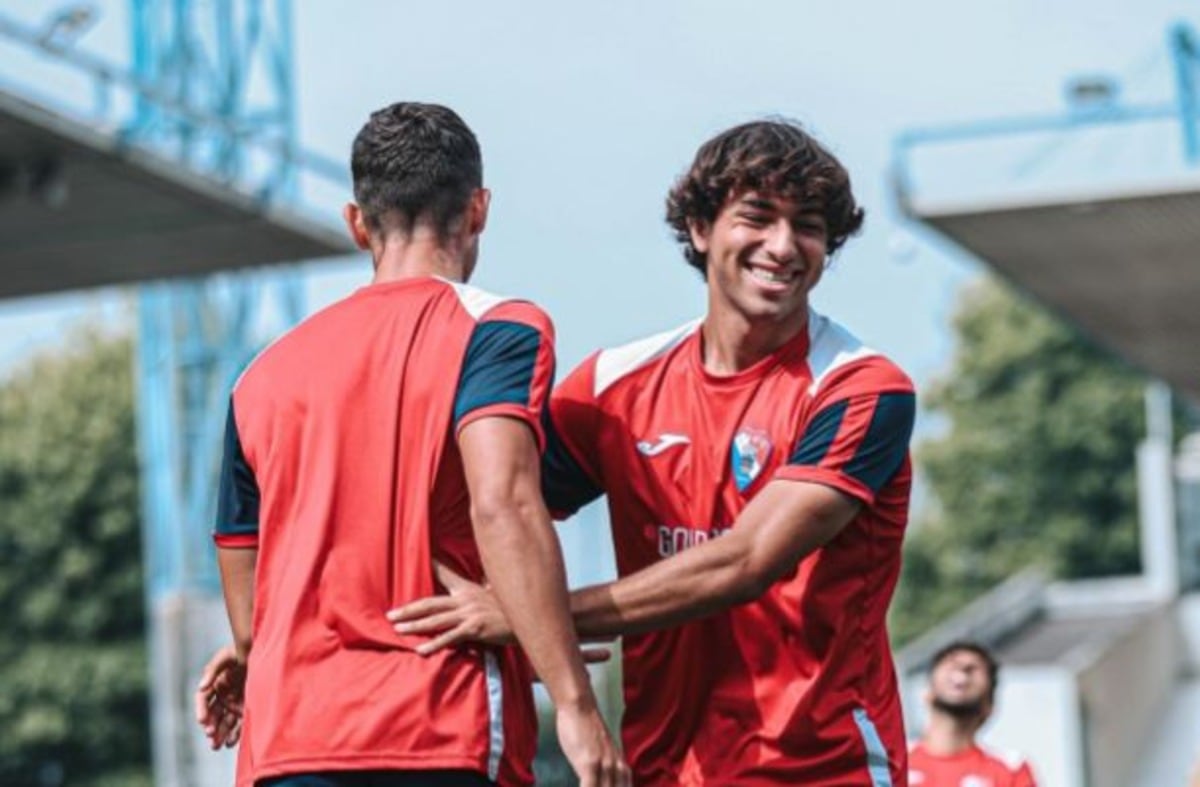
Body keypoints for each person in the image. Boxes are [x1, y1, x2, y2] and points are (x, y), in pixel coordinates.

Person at [390, 118, 917, 785]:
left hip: (822, 767)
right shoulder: (615, 384)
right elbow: (476, 509)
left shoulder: (862, 388)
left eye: (808, 225)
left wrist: (528, 614)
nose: (783, 245)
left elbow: (746, 560)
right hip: (663, 767)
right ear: (700, 228)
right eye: (757, 216)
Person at [198, 101, 627, 787]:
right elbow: (505, 505)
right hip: (436, 729)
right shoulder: (499, 329)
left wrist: (254, 656)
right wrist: (575, 703)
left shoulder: (261, 374)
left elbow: (252, 613)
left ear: (357, 222)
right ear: (477, 209)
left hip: (289, 743)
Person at [908, 641, 1038, 787]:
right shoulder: (890, 762)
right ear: (927, 692)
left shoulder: (1013, 768)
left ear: (990, 706)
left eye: (973, 668)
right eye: (952, 663)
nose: (963, 669)